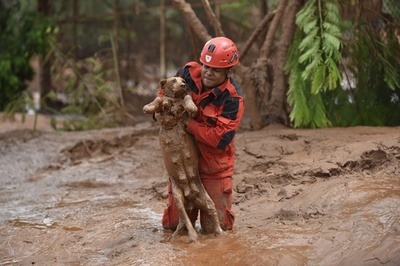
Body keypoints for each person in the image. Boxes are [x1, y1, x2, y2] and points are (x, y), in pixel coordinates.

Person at [162, 36, 245, 232]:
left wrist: (188, 123)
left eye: (216, 70)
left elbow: (220, 138)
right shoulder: (187, 74)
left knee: (217, 228)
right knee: (174, 226)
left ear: (228, 71)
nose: (208, 73)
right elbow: (164, 92)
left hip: (214, 167)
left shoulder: (233, 99)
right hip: (182, 162)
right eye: (206, 66)